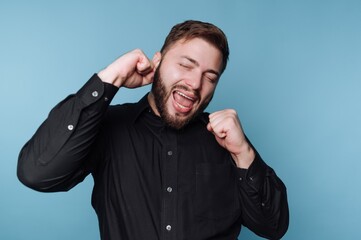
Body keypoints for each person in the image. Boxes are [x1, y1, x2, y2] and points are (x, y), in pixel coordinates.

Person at [17, 20, 289, 240]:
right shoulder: (109, 126)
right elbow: (37, 173)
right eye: (185, 65)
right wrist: (109, 78)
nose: (195, 84)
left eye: (210, 77)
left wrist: (243, 153)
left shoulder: (227, 141)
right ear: (157, 62)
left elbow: (273, 227)